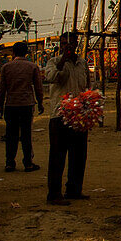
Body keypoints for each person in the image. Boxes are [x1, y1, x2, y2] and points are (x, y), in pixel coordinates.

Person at [43, 32, 90, 205]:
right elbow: (52, 78)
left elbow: (87, 88)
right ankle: (54, 193)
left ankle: (74, 189)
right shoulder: (53, 62)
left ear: (76, 44)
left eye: (70, 44)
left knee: (79, 155)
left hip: (79, 116)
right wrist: (63, 59)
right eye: (64, 44)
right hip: (59, 115)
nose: (67, 46)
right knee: (57, 156)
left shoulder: (82, 63)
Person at [0, 40, 44, 172]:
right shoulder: (32, 67)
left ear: (13, 52)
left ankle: (10, 162)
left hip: (11, 104)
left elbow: (1, 89)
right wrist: (40, 102)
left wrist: (0, 106)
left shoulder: (6, 67)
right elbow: (38, 88)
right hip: (26, 104)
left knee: (11, 134)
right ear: (26, 53)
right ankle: (28, 162)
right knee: (26, 135)